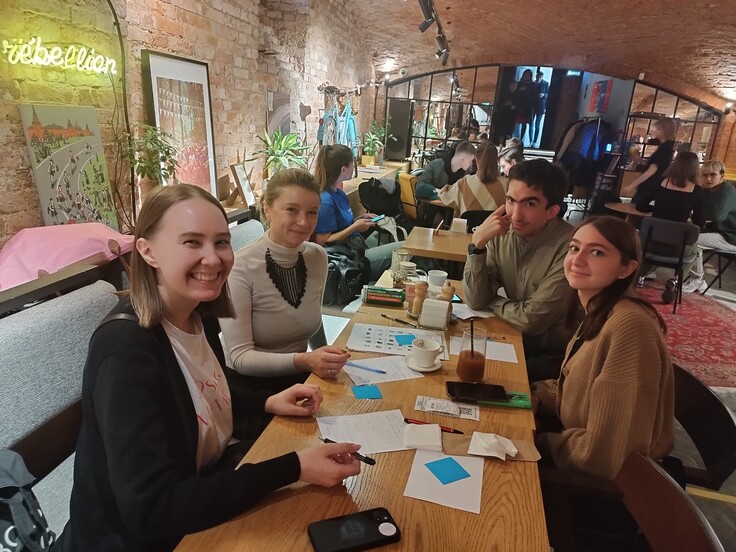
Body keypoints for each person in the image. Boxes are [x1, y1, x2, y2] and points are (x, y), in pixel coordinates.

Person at [57, 184, 362, 551]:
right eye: (191, 242)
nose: (213, 259)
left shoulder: (198, 314)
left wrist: (266, 402)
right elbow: (152, 509)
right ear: (147, 250)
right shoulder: (126, 350)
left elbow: (194, 391)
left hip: (198, 492)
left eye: (221, 242)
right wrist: (294, 467)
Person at [532, 216, 674, 480]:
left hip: (602, 487)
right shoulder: (602, 310)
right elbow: (577, 386)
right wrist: (536, 397)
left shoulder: (630, 327)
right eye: (574, 248)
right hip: (574, 449)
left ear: (626, 268)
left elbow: (607, 454)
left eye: (597, 252)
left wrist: (537, 440)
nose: (577, 259)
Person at [220, 168, 350, 393]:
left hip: (299, 375)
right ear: (267, 209)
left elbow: (312, 318)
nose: (303, 222)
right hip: (249, 388)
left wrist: (325, 357)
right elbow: (241, 357)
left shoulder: (317, 256)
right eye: (292, 210)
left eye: (312, 212)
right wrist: (306, 361)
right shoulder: (239, 268)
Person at [464, 159, 576, 380]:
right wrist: (477, 246)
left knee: (485, 378)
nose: (515, 215)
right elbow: (475, 300)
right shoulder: (501, 233)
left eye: (529, 204)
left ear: (552, 211)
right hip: (515, 338)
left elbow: (531, 320)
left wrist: (492, 301)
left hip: (557, 360)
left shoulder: (572, 247)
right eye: (511, 201)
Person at [313, 144, 403, 280]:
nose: (354, 168)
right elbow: (324, 240)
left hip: (356, 247)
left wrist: (360, 219)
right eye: (352, 164)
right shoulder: (326, 200)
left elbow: (341, 227)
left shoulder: (340, 194)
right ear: (343, 169)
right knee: (405, 249)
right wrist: (355, 227)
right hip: (349, 258)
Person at [634, 151, 705, 303]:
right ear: (695, 169)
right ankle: (676, 279)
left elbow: (640, 206)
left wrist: (657, 210)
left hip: (651, 244)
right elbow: (700, 222)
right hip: (678, 248)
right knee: (696, 251)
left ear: (675, 164)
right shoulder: (698, 191)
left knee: (645, 245)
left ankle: (639, 274)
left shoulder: (660, 182)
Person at [683, 159, 736, 292]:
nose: (708, 179)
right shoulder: (707, 191)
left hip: (731, 236)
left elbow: (715, 215)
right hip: (717, 232)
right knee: (684, 235)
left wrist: (694, 216)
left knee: (693, 241)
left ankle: (698, 279)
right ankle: (683, 274)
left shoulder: (727, 191)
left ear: (722, 175)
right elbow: (699, 213)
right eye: (705, 175)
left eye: (713, 175)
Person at [434, 143, 506, 216]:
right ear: (497, 160)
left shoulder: (464, 183)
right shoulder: (507, 185)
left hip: (467, 224)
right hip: (497, 223)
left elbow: (443, 196)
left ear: (476, 160)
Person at [620, 117, 676, 200]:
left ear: (664, 131)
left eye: (658, 129)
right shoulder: (665, 147)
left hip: (649, 187)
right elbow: (654, 165)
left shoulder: (665, 148)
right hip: (650, 187)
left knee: (637, 206)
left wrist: (631, 186)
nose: (654, 130)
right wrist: (639, 159)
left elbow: (652, 170)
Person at [511, 69, 537, 146]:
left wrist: (532, 108)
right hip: (518, 105)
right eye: (525, 74)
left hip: (527, 106)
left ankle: (521, 139)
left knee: (524, 123)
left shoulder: (533, 85)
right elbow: (516, 93)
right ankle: (512, 137)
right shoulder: (519, 83)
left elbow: (533, 97)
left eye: (528, 75)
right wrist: (520, 90)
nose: (526, 76)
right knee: (515, 121)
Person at [530, 70, 549, 147]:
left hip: (541, 107)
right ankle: (530, 140)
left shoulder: (546, 83)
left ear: (542, 77)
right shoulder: (533, 84)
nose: (538, 78)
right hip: (533, 106)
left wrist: (543, 95)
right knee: (531, 124)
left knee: (537, 125)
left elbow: (548, 94)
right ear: (536, 76)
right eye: (537, 76)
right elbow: (530, 95)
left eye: (540, 76)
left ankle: (535, 141)